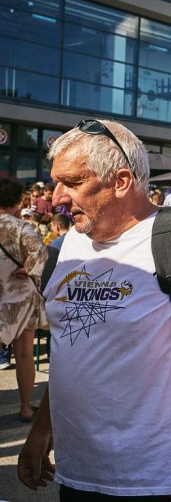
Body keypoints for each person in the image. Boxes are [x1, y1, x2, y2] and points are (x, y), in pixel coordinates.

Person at [17, 119, 171, 501]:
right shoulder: (68, 245)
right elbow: (70, 353)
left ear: (121, 181)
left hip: (159, 478)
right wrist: (42, 429)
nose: (56, 197)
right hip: (76, 473)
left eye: (73, 182)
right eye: (56, 181)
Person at [0, 177, 48, 422]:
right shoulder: (22, 227)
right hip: (21, 297)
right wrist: (28, 268)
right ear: (18, 200)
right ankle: (26, 407)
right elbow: (40, 251)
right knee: (25, 353)